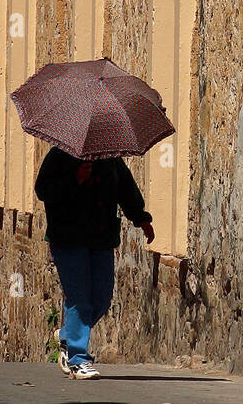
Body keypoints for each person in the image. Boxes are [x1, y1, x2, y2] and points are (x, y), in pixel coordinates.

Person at [34, 147, 155, 379]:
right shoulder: (59, 155)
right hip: (68, 239)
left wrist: (141, 218)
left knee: (101, 298)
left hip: (101, 239)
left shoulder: (109, 158)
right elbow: (43, 190)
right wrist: (75, 179)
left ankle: (67, 335)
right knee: (79, 299)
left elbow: (125, 189)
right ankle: (78, 359)